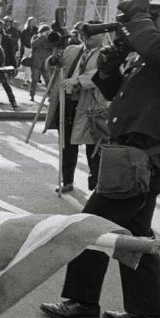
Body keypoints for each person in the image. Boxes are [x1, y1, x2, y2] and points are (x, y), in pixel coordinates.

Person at [40, 0, 160, 318]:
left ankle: (81, 301)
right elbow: (111, 89)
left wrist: (139, 23)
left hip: (144, 161)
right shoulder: (157, 51)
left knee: (90, 225)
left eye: (156, 15)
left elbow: (159, 50)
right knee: (135, 233)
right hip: (133, 158)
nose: (151, 23)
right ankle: (149, 312)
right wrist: (114, 58)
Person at [44, 22, 109, 193]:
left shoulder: (106, 54)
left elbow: (100, 74)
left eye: (93, 34)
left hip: (91, 107)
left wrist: (78, 81)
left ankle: (97, 186)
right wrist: (53, 60)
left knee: (93, 148)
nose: (87, 37)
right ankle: (67, 181)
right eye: (86, 33)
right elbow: (52, 65)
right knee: (66, 144)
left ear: (102, 35)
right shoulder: (71, 50)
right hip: (68, 104)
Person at [0, 18, 18, 109]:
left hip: (2, 65)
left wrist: (14, 66)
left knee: (5, 84)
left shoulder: (6, 38)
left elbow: (11, 52)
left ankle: (13, 101)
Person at [29, 24, 53, 101]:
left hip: (46, 62)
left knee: (48, 80)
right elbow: (33, 45)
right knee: (35, 79)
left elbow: (52, 47)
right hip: (36, 61)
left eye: (48, 32)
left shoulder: (50, 39)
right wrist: (42, 37)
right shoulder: (36, 37)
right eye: (46, 32)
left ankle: (50, 96)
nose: (47, 33)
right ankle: (32, 95)